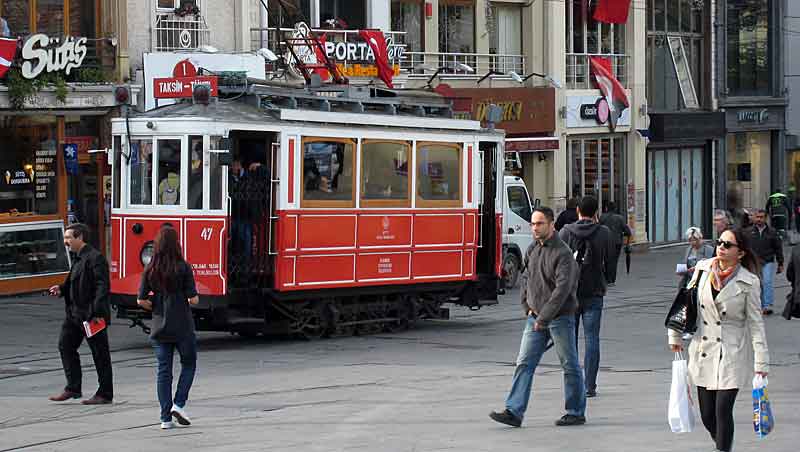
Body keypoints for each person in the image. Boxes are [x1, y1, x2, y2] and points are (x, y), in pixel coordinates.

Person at [668, 228, 769, 452]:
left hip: (731, 353)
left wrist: (761, 363)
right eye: (719, 242)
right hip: (703, 349)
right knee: (707, 415)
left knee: (723, 410)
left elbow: (756, 325)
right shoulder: (703, 270)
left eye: (727, 245)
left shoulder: (749, 282)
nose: (721, 247)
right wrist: (674, 335)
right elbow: (686, 303)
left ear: (740, 253)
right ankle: (722, 444)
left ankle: (722, 449)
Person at [489, 207, 586, 428]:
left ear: (552, 225)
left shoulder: (563, 254)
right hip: (534, 317)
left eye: (540, 223)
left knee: (569, 365)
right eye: (533, 224)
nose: (535, 228)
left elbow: (562, 291)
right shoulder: (533, 249)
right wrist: (526, 305)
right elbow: (526, 277)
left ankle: (575, 411)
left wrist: (544, 317)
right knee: (524, 363)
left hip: (560, 318)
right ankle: (514, 411)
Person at [136, 226, 200, 430]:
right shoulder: (183, 267)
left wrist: (156, 306)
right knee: (188, 364)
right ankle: (179, 404)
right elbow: (194, 299)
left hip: (159, 326)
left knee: (164, 371)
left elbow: (141, 300)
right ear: (177, 244)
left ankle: (165, 419)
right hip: (182, 324)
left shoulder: (150, 268)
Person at [48, 223, 113, 405]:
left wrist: (95, 311)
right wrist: (61, 289)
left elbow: (102, 287)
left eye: (68, 237)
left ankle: (105, 393)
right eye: (65, 238)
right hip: (74, 315)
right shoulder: (77, 258)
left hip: (91, 315)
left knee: (100, 354)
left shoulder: (95, 258)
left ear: (80, 237)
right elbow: (74, 282)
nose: (66, 241)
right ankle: (73, 387)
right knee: (65, 346)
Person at [559, 196, 611, 398]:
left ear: (578, 210)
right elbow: (611, 260)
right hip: (595, 291)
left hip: (571, 293)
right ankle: (590, 385)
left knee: (570, 340)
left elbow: (559, 261)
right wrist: (607, 279)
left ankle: (573, 383)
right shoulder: (604, 233)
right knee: (592, 339)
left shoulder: (565, 232)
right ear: (596, 211)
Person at [749, 209, 784, 315]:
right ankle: (758, 304)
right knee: (756, 283)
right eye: (757, 217)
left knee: (767, 281)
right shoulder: (749, 232)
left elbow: (778, 248)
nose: (759, 219)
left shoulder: (772, 232)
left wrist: (780, 263)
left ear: (766, 218)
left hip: (767, 261)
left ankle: (767, 305)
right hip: (753, 261)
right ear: (754, 218)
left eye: (762, 217)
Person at [599, 201, 631, 286]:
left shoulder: (602, 217)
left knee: (606, 260)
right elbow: (627, 231)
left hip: (604, 242)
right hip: (617, 242)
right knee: (614, 261)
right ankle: (611, 280)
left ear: (606, 208)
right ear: (615, 209)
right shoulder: (620, 218)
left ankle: (606, 279)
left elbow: (598, 228)